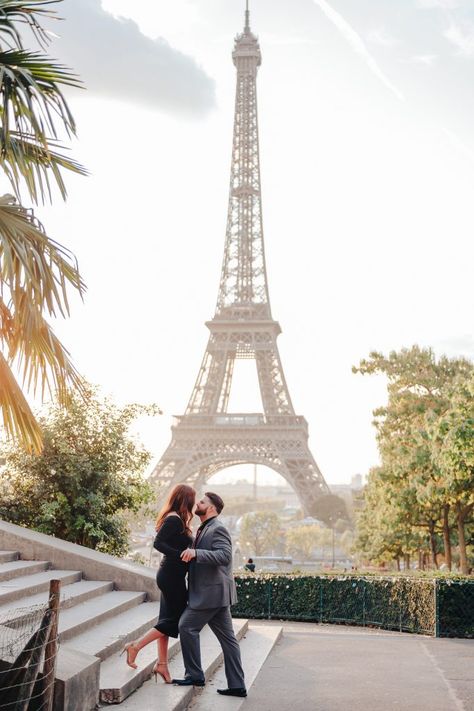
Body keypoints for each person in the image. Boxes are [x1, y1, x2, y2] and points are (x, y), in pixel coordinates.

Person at [173, 492, 246, 698]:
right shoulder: (204, 528)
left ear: (212, 508)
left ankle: (195, 674)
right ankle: (237, 685)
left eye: (202, 502)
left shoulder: (217, 528)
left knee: (186, 626)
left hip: (210, 594)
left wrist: (197, 553)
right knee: (228, 641)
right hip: (216, 593)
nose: (198, 503)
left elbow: (224, 556)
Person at [121, 484, 195, 683]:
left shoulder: (176, 518)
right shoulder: (173, 519)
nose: (193, 504)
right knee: (173, 621)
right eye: (192, 499)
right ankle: (135, 646)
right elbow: (158, 543)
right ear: (184, 499)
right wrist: (180, 555)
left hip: (172, 575)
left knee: (166, 620)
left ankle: (162, 665)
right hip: (171, 575)